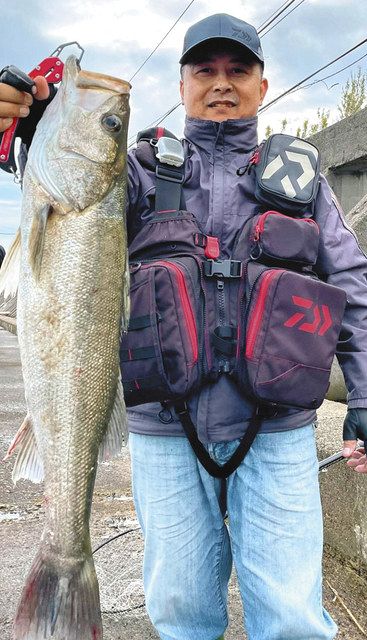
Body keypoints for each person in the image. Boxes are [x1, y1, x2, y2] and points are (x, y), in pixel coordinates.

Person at [0, 13, 366, 640]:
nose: (221, 83)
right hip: (164, 433)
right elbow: (65, 182)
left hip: (276, 434)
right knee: (180, 615)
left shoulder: (302, 182)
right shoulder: (138, 171)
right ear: (182, 83)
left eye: (238, 70)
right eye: (205, 69)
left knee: (294, 621)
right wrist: (28, 124)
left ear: (262, 83)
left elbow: (352, 288)